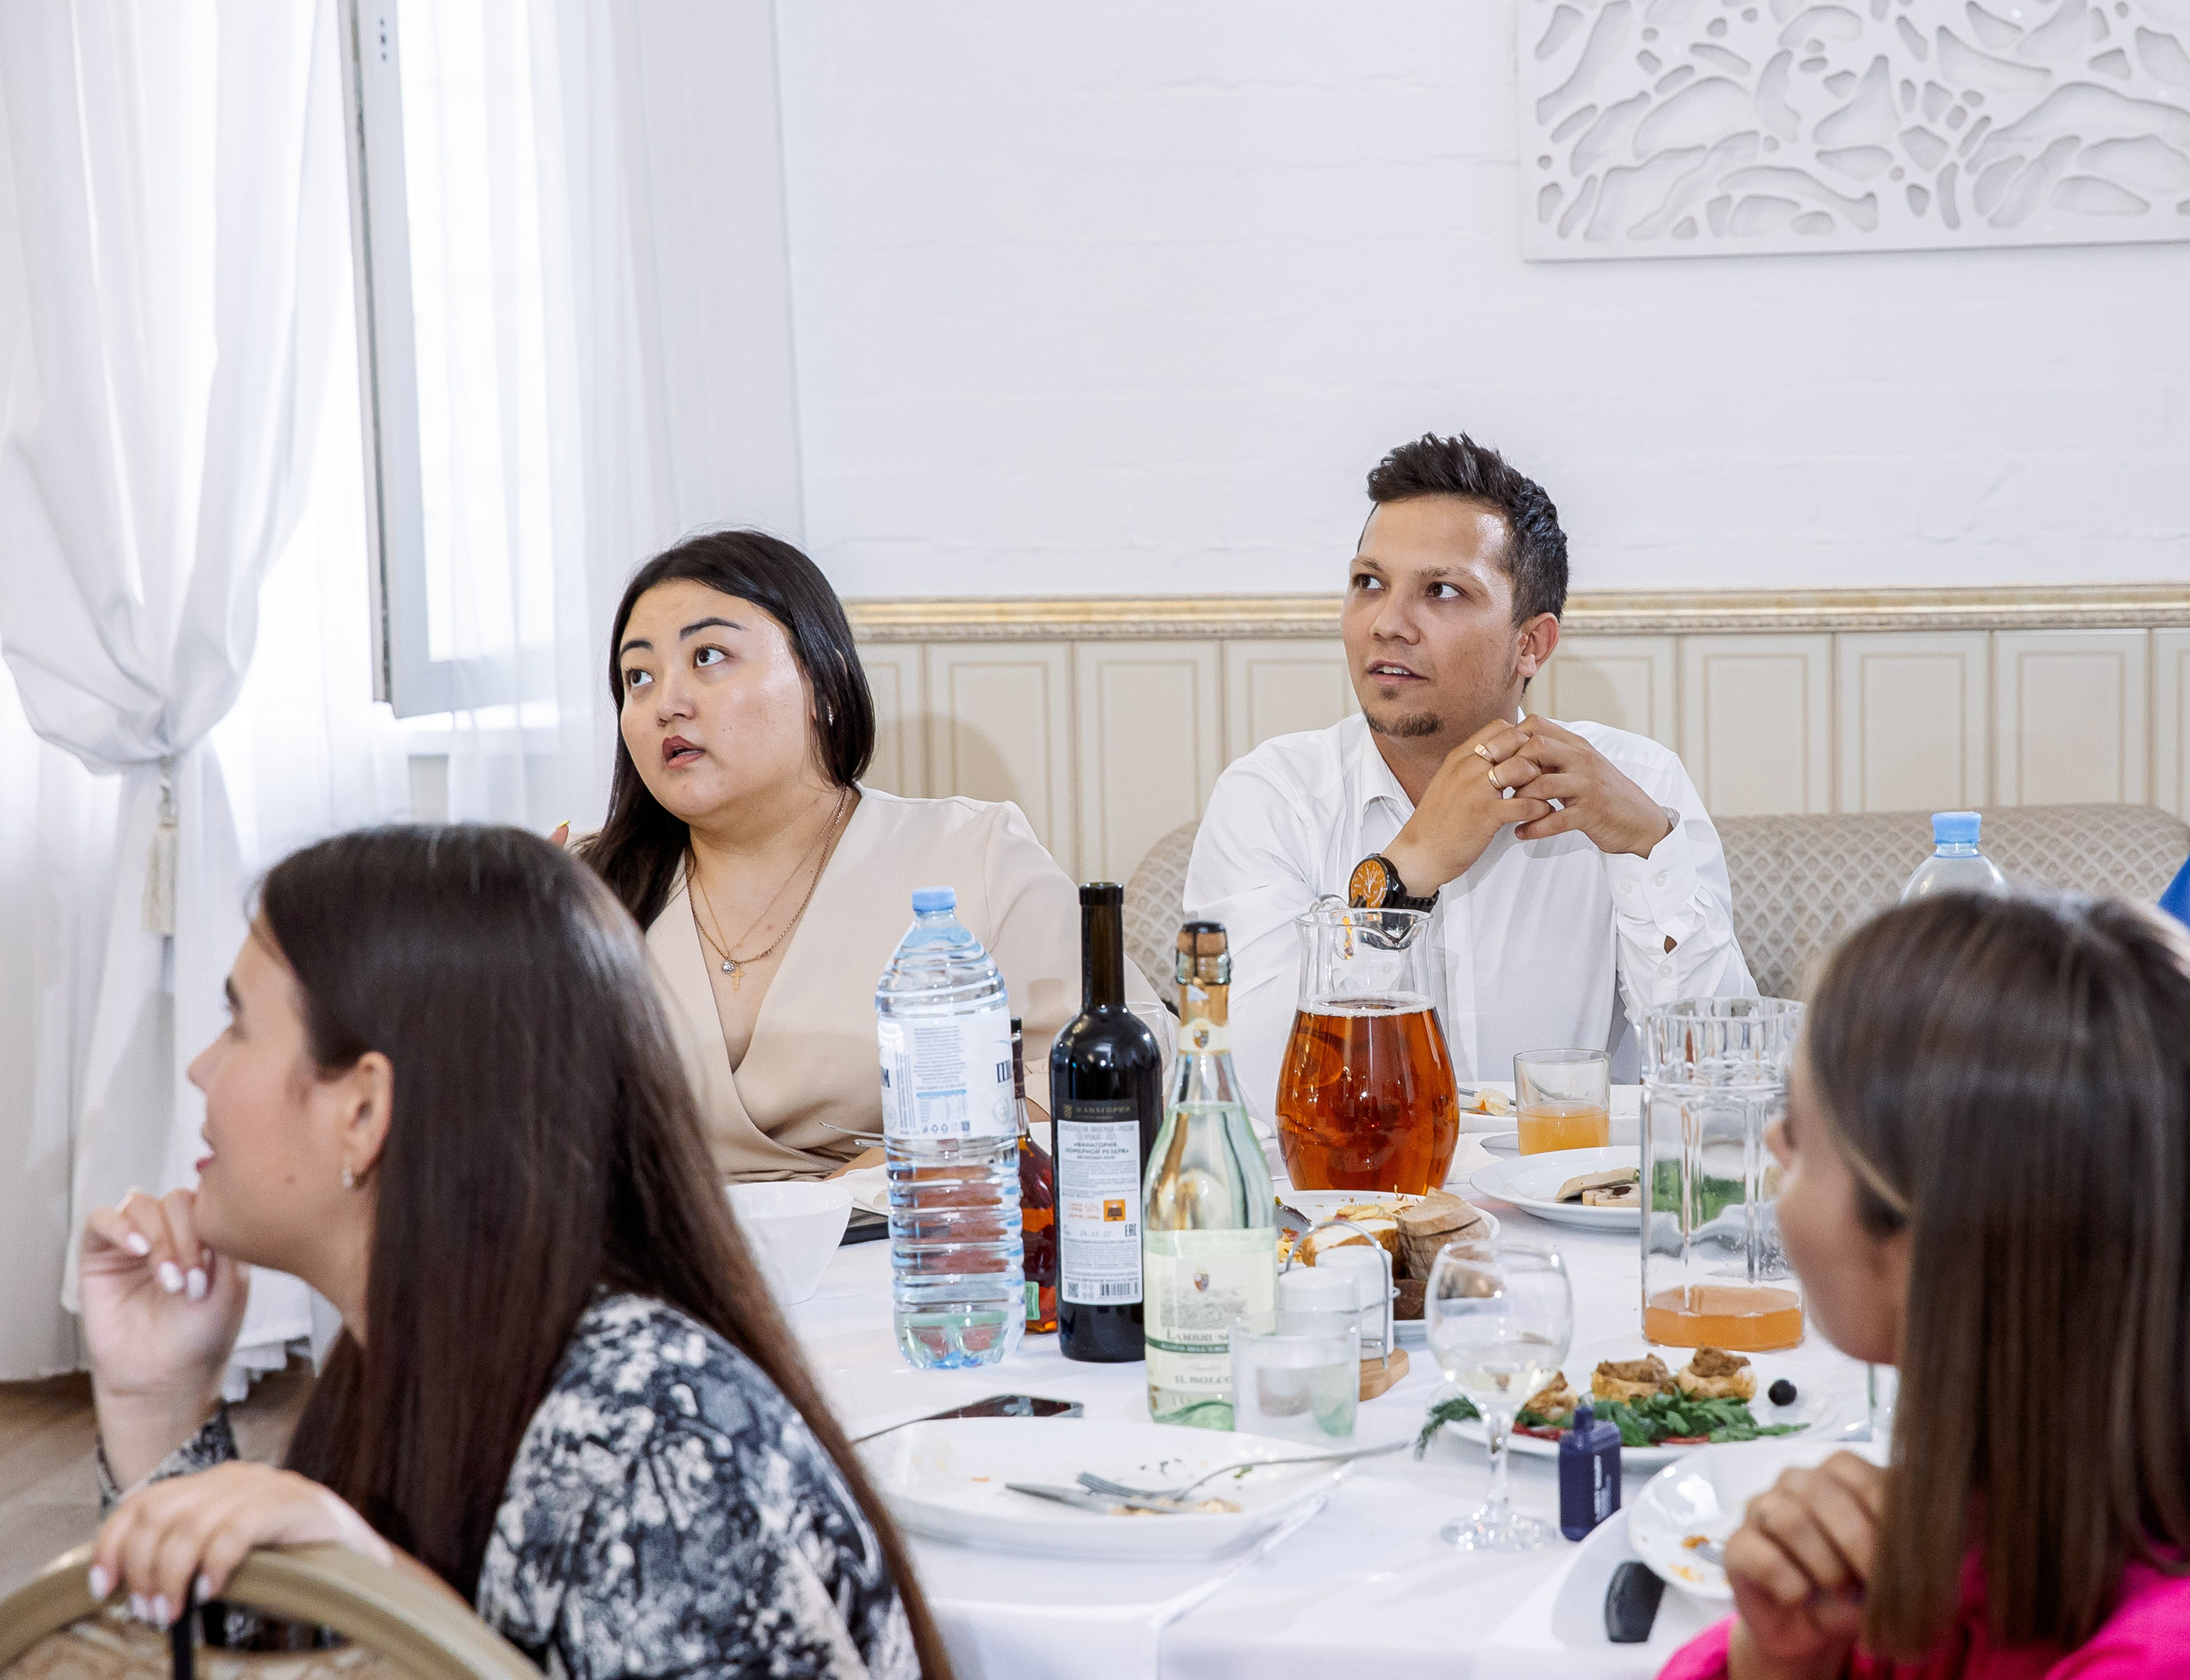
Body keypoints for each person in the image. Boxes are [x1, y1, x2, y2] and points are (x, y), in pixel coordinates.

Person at [81, 825, 947, 1680]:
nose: (200, 1069)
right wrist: (156, 1403)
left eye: (235, 1026)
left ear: (362, 1111)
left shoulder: (652, 1439)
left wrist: (400, 1606)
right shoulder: (420, 1355)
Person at [1665, 890, 2190, 1680]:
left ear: (1918, 1240)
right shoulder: (1974, 1521)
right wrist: (1782, 1656)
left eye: (1800, 1132)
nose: (1772, 1141)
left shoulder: (2149, 1655)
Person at [1184, 433, 1753, 1113]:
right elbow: (1234, 1089)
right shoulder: (1272, 797)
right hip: (1345, 1213)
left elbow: (1731, 1084)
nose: (1388, 623)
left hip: (1574, 1209)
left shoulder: (1634, 784)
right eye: (1369, 583)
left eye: (1442, 591)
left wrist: (1645, 851)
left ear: (1530, 644)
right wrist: (1406, 872)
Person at [577, 529, 1156, 1181]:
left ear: (823, 681)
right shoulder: (580, 889)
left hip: (911, 1257)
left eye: (708, 655)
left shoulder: (975, 855)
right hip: (667, 1273)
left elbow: (1127, 1077)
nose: (666, 704)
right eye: (639, 677)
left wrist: (926, 1153)